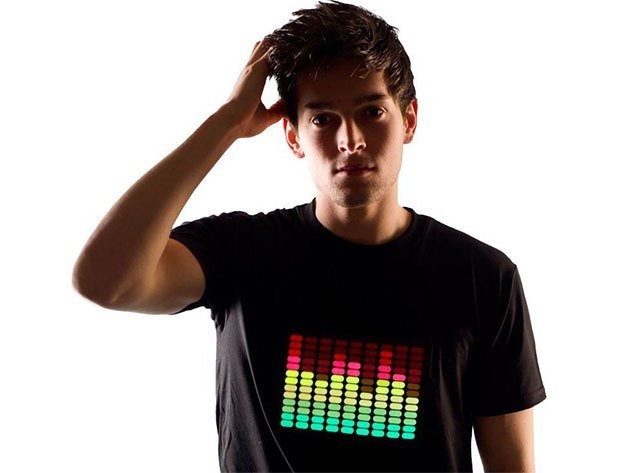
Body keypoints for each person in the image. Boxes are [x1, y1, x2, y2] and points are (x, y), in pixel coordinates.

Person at [72, 1, 546, 471]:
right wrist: (228, 122)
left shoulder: (483, 278)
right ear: (293, 136)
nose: (349, 140)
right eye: (322, 119)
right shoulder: (242, 252)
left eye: (372, 112)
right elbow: (104, 282)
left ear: (409, 119)